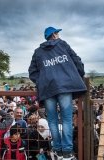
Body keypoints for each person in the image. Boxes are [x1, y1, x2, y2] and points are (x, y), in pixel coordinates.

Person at [28, 26, 87, 160]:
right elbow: (77, 61)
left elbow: (32, 72)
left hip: (48, 89)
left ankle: (57, 149)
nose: (58, 35)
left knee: (52, 120)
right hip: (65, 87)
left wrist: (42, 81)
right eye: (57, 33)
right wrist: (76, 76)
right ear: (54, 35)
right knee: (66, 119)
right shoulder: (63, 44)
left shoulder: (38, 52)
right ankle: (67, 151)